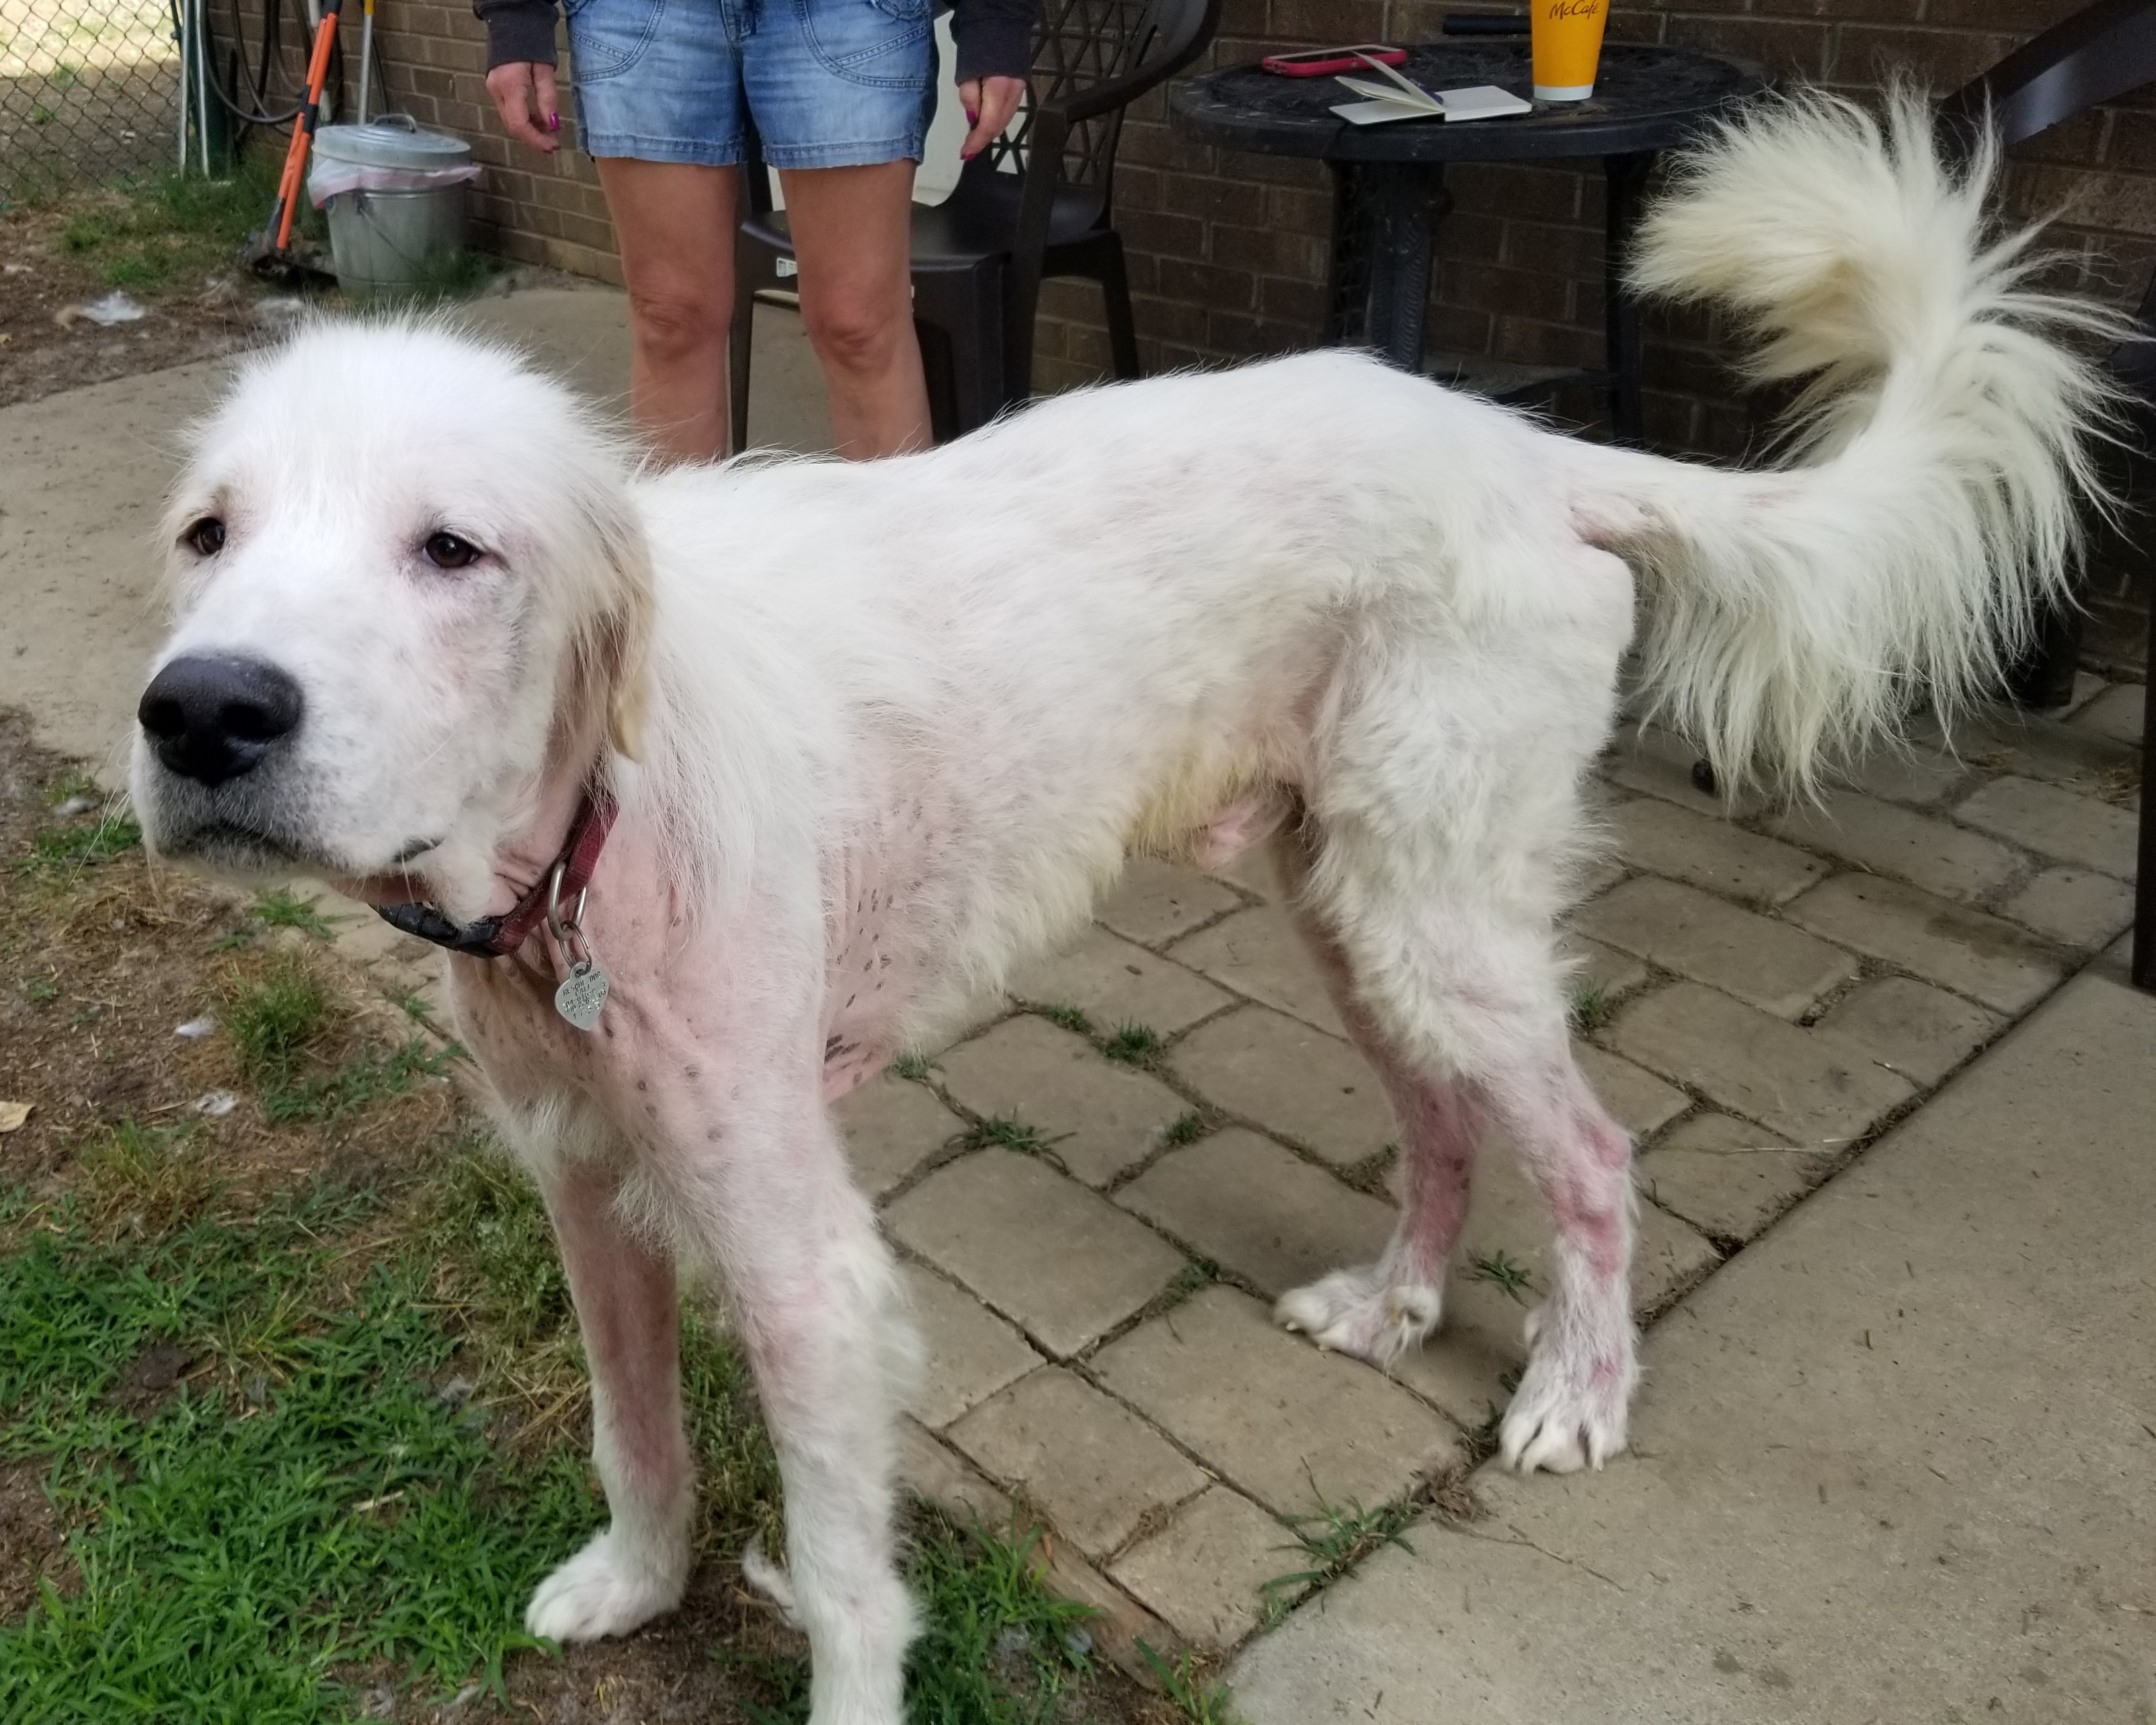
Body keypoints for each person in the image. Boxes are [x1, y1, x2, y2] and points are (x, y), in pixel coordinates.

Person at [475, 0, 1035, 460]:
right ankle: (685, 579)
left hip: (851, 14)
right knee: (672, 320)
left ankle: (906, 585)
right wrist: (516, 16)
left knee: (860, 328)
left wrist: (995, 18)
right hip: (643, 16)